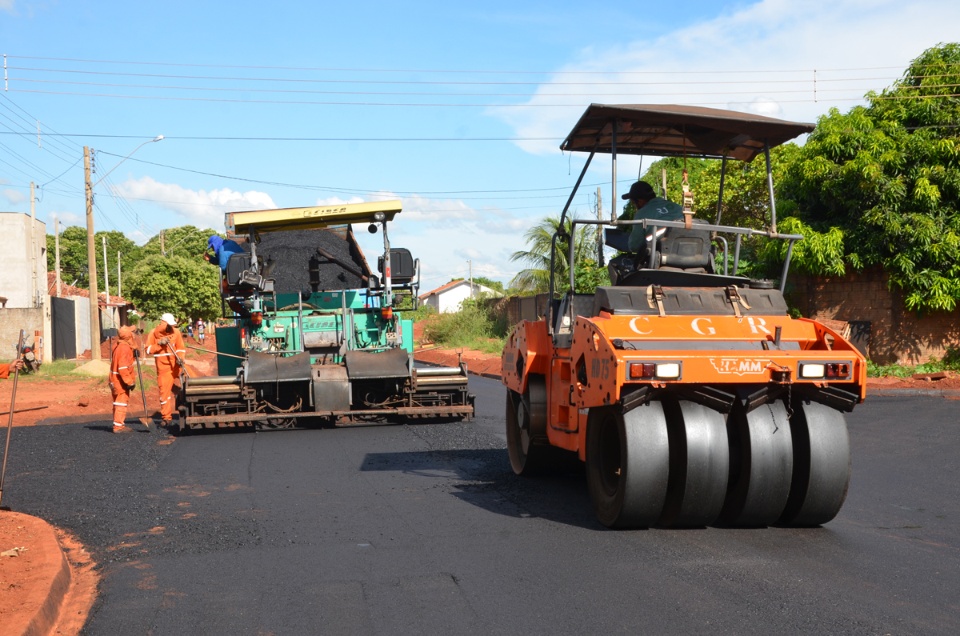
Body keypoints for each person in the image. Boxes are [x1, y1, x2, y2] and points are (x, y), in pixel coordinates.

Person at [621, 180, 685, 258]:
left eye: (633, 203)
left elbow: (634, 246)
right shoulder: (678, 207)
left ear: (640, 201)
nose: (634, 207)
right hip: (687, 254)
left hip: (659, 259)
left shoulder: (641, 214)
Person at [145, 313, 186, 425]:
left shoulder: (176, 332)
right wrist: (159, 344)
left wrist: (181, 358)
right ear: (163, 322)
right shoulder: (153, 333)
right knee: (164, 393)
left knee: (191, 384)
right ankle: (166, 417)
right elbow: (148, 350)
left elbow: (181, 348)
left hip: (177, 365)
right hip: (163, 368)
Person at [109, 326, 138, 434]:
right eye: (132, 333)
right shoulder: (124, 348)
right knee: (121, 402)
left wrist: (134, 354)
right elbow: (123, 368)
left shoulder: (119, 346)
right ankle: (118, 427)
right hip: (120, 381)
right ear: (128, 336)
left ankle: (117, 423)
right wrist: (129, 382)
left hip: (114, 379)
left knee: (117, 402)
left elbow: (125, 361)